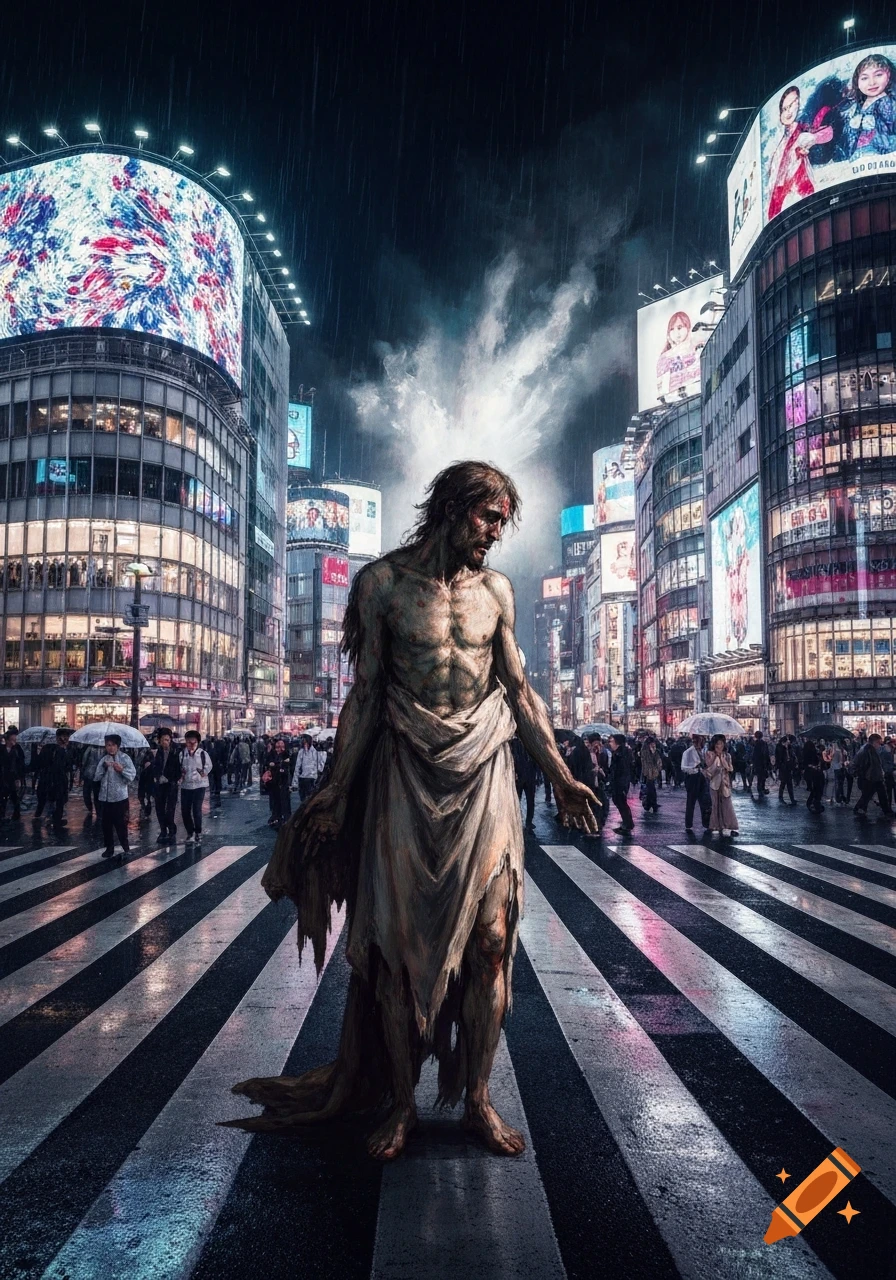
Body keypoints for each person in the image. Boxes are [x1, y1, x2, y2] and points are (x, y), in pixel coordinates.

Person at [228, 461, 597, 1160]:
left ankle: (478, 1100)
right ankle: (399, 1103)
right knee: (397, 955)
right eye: (488, 518)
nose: (495, 533)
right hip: (404, 769)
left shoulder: (497, 591)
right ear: (454, 510)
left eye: (501, 521)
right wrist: (337, 787)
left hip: (483, 769)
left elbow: (519, 690)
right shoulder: (382, 585)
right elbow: (365, 696)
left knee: (493, 942)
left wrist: (562, 774)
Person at [95, 733, 136, 858]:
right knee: (106, 825)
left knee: (121, 824)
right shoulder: (104, 759)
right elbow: (96, 777)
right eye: (108, 745)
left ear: (117, 746)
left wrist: (121, 770)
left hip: (120, 798)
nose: (110, 748)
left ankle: (126, 848)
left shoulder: (124, 758)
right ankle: (109, 848)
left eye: (113, 745)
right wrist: (104, 767)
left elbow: (132, 775)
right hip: (105, 798)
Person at [35, 727, 73, 826]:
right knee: (53, 799)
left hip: (60, 779)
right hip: (53, 779)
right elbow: (47, 763)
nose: (65, 739)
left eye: (67, 737)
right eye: (63, 737)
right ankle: (52, 818)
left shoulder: (67, 749)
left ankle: (55, 818)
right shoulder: (52, 748)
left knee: (60, 799)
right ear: (58, 738)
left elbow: (69, 764)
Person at [180, 729, 211, 844]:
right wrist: (181, 774)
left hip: (199, 786)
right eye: (189, 742)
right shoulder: (182, 754)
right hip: (186, 786)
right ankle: (190, 832)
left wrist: (203, 772)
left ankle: (198, 832)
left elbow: (209, 766)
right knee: (185, 811)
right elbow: (179, 768)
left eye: (194, 743)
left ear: (198, 742)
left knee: (196, 809)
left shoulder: (203, 754)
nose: (191, 745)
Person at [852, 733, 893, 818]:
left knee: (874, 795)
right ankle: (859, 808)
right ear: (875, 742)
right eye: (879, 743)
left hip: (873, 777)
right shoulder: (867, 750)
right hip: (871, 777)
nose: (880, 745)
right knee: (870, 795)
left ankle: (887, 811)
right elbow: (865, 765)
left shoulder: (867, 749)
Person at [706, 734, 738, 836]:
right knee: (715, 804)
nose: (720, 746)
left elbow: (730, 768)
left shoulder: (727, 755)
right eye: (717, 744)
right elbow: (709, 766)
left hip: (724, 783)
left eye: (721, 743)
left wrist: (722, 758)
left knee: (726, 804)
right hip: (714, 782)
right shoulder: (709, 754)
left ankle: (728, 825)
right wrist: (716, 756)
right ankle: (715, 825)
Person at [152, 727, 181, 841]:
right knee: (159, 808)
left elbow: (178, 769)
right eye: (163, 740)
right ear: (159, 740)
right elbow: (155, 767)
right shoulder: (158, 751)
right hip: (160, 784)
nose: (165, 742)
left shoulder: (176, 751)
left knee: (170, 810)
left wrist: (169, 778)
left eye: (167, 740)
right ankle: (163, 830)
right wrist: (158, 776)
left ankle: (171, 830)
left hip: (171, 784)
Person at [681, 733, 711, 831]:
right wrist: (694, 768)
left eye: (701, 741)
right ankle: (688, 824)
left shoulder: (704, 751)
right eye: (698, 741)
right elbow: (683, 767)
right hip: (692, 778)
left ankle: (706, 823)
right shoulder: (688, 752)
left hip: (702, 778)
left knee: (704, 801)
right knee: (691, 802)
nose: (700, 743)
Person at [607, 733, 634, 833]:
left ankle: (627, 824)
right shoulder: (621, 752)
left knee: (621, 802)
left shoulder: (621, 754)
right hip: (619, 782)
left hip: (620, 783)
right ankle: (627, 823)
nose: (610, 743)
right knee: (620, 802)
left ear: (617, 743)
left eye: (612, 741)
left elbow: (622, 770)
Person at [510, 734, 538, 831]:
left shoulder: (531, 744)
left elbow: (535, 761)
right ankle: (517, 821)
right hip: (520, 776)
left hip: (529, 776)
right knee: (517, 800)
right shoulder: (514, 743)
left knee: (530, 801)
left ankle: (529, 822)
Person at [264, 737, 293, 828]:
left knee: (284, 800)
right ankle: (276, 817)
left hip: (283, 781)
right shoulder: (271, 754)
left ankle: (285, 817)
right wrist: (270, 764)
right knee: (275, 800)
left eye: (281, 746)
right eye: (277, 747)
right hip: (274, 781)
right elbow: (266, 762)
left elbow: (291, 766)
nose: (279, 749)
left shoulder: (286, 754)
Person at [0, 728, 26, 821]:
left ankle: (16, 814)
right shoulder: (1, 749)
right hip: (3, 777)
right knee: (2, 797)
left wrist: (19, 778)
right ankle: (2, 814)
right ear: (7, 740)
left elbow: (21, 763)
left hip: (13, 777)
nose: (13, 742)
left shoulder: (17, 749)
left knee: (14, 796)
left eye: (15, 740)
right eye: (12, 740)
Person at [291, 734, 324, 802]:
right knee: (303, 798)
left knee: (309, 797)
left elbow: (319, 766)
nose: (303, 743)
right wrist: (295, 783)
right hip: (302, 778)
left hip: (311, 779)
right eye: (303, 741)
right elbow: (297, 767)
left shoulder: (315, 752)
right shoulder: (301, 752)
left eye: (305, 741)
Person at [802, 738, 825, 813]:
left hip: (812, 774)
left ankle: (812, 803)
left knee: (815, 790)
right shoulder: (812, 752)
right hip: (814, 774)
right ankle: (815, 804)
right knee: (817, 789)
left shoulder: (808, 752)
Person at [80, 742, 102, 818]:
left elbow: (84, 760)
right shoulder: (105, 749)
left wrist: (82, 770)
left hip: (88, 773)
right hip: (99, 774)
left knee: (87, 792)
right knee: (97, 794)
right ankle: (98, 811)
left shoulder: (90, 748)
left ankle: (90, 808)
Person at [640, 736, 662, 813]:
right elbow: (646, 763)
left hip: (653, 773)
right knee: (649, 790)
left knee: (651, 790)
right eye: (652, 743)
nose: (653, 745)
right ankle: (649, 804)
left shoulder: (654, 751)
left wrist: (654, 752)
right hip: (648, 773)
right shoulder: (645, 751)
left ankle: (651, 804)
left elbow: (657, 761)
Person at [775, 735, 795, 804]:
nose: (789, 742)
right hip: (783, 768)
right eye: (787, 740)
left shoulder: (789, 747)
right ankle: (782, 797)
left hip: (788, 767)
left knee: (788, 783)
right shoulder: (779, 747)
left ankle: (791, 798)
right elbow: (778, 758)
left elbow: (792, 755)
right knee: (784, 783)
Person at [751, 731, 771, 796]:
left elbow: (754, 755)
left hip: (759, 763)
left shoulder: (756, 744)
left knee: (760, 777)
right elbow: (767, 754)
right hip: (762, 762)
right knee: (762, 777)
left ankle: (760, 788)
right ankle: (761, 788)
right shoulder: (763, 743)